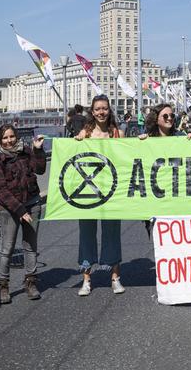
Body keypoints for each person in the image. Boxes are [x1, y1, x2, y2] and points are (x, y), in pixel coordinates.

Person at [75, 95, 125, 297]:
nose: (101, 112)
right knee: (86, 233)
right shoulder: (85, 134)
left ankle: (115, 277)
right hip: (88, 192)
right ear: (92, 112)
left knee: (112, 232)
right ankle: (86, 278)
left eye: (104, 108)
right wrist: (76, 142)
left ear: (109, 110)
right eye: (97, 109)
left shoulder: (117, 133)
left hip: (111, 191)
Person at [0, 124, 46, 303]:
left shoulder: (27, 152)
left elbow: (40, 169)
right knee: (7, 248)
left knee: (31, 246)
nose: (9, 141)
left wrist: (38, 150)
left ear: (17, 136)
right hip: (8, 208)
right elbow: (1, 190)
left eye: (11, 137)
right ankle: (3, 285)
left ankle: (30, 282)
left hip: (32, 203)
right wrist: (20, 210)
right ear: (0, 141)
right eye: (5, 138)